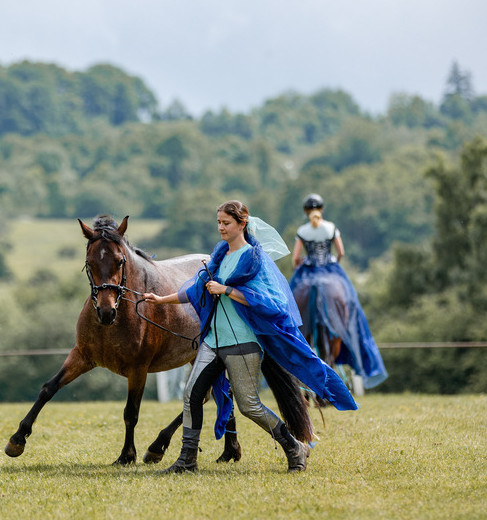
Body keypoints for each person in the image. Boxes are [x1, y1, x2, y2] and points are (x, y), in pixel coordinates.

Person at [143, 200, 358, 473]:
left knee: (249, 406)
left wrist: (227, 290)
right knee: (192, 395)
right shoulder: (219, 255)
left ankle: (295, 446)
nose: (221, 228)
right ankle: (187, 460)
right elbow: (196, 289)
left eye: (226, 223)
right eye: (218, 222)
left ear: (242, 224)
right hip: (213, 339)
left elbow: (271, 302)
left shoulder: (254, 259)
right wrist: (161, 300)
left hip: (243, 343)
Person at [289, 193, 387, 389]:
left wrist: (298, 266)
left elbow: (295, 257)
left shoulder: (302, 230)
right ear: (322, 209)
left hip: (308, 271)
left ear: (306, 211)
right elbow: (341, 252)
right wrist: (335, 264)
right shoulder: (331, 227)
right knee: (352, 301)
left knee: (288, 305)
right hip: (329, 267)